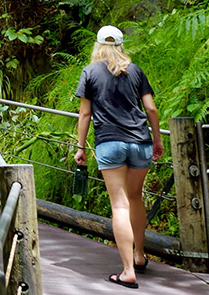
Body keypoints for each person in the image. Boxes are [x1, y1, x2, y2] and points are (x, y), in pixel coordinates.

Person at [72, 25, 165, 289]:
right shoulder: (135, 70)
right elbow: (151, 108)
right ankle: (139, 256)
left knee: (120, 205)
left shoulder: (90, 72)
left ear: (98, 45)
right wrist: (157, 139)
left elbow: (85, 114)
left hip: (110, 143)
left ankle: (127, 272)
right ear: (121, 45)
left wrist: (81, 147)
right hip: (140, 142)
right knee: (135, 198)